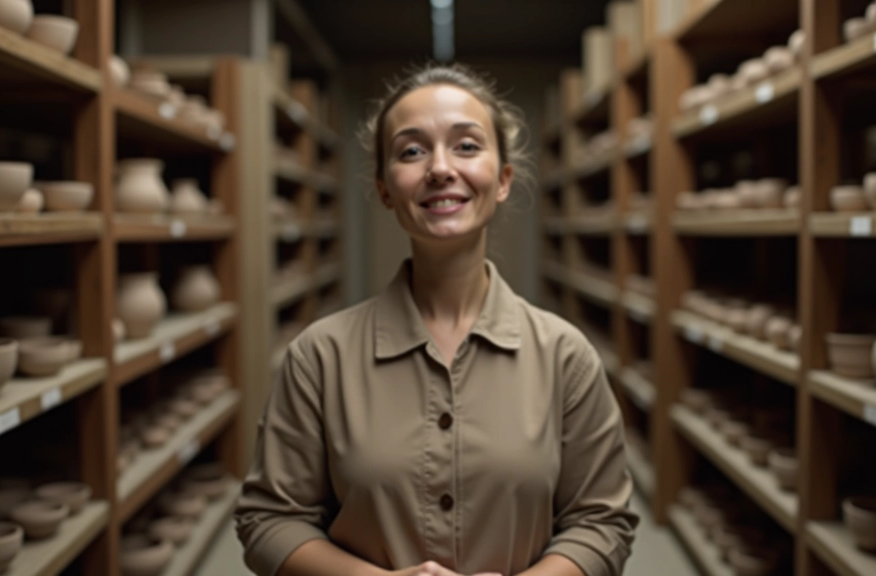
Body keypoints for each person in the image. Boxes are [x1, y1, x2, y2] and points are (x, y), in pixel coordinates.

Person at [236, 63, 638, 576]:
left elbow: (602, 522)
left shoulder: (565, 356)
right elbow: (268, 520)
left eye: (467, 146)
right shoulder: (320, 356)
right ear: (385, 189)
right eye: (411, 150)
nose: (441, 168)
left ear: (503, 180)